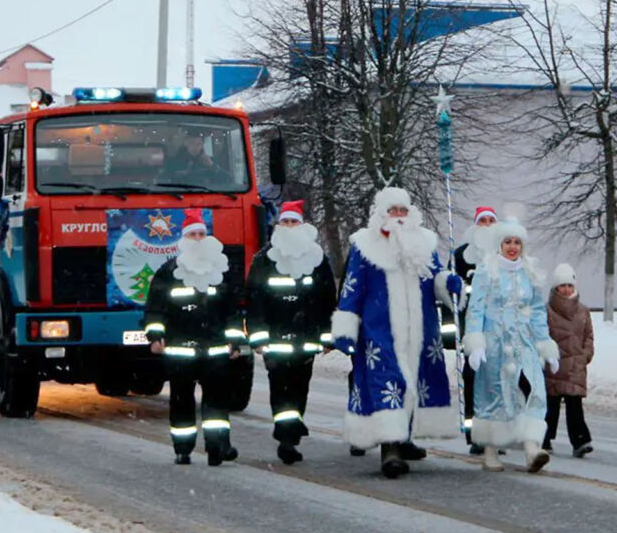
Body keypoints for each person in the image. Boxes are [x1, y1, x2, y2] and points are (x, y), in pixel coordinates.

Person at [330, 187, 462, 478]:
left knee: (413, 379)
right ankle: (390, 447)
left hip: (420, 330)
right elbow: (353, 286)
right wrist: (345, 325)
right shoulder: (365, 246)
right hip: (380, 329)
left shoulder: (425, 243)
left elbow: (434, 277)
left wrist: (447, 283)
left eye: (403, 211)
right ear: (381, 215)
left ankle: (405, 437)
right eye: (393, 211)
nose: (399, 217)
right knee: (386, 379)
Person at [143, 208, 246, 466]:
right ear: (184, 240)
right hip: (180, 352)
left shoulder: (221, 272)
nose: (198, 239)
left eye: (202, 234)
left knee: (217, 404)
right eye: (193, 235)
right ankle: (183, 447)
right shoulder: (168, 272)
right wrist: (155, 335)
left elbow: (233, 312)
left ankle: (217, 447)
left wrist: (236, 341)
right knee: (181, 402)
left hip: (216, 352)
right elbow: (156, 308)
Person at [464, 217, 559, 473]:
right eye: (508, 241)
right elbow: (476, 309)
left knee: (534, 390)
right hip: (495, 343)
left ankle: (531, 448)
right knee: (495, 394)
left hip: (524, 343)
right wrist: (476, 342)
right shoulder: (487, 270)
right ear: (499, 244)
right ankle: (491, 450)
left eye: (517, 242)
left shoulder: (529, 272)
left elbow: (538, 311)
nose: (513, 247)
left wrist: (544, 344)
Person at [246, 200, 337, 463]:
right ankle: (286, 436)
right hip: (275, 338)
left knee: (300, 386)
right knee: (280, 386)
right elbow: (256, 300)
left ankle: (292, 425)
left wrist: (327, 333)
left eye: (293, 222)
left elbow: (326, 298)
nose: (288, 226)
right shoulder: (265, 259)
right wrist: (258, 335)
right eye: (284, 222)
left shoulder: (317, 259)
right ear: (278, 225)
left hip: (306, 337)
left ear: (302, 225)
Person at [454, 206, 499, 454]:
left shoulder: (503, 252)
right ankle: (475, 432)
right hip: (472, 325)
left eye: (492, 220)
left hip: (498, 327)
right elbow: (453, 294)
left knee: (497, 380)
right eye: (483, 221)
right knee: (473, 377)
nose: (488, 225)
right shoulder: (461, 255)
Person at [543, 263, 594, 458]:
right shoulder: (547, 311)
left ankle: (580, 441)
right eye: (562, 286)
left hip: (575, 367)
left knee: (575, 407)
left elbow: (588, 336)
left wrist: (585, 354)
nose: (566, 289)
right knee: (550, 407)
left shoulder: (583, 311)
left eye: (569, 285)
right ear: (555, 288)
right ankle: (544, 440)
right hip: (554, 368)